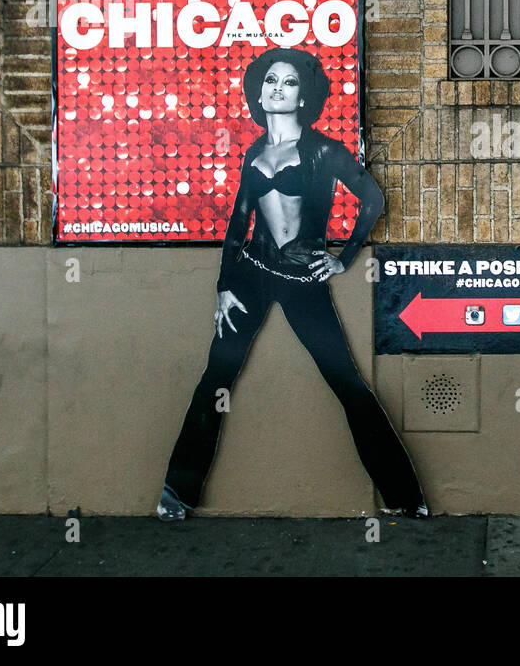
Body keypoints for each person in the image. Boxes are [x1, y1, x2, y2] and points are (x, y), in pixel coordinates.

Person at [156, 48, 427, 521]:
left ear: (304, 95)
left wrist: (343, 260)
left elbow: (372, 198)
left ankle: (406, 498)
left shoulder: (324, 150)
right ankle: (176, 495)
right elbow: (239, 225)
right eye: (271, 82)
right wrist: (224, 285)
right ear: (259, 92)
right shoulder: (253, 153)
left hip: (303, 280)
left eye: (289, 83)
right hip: (250, 278)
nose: (278, 90)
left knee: (347, 382)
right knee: (215, 379)